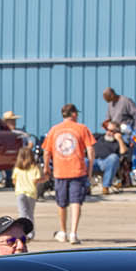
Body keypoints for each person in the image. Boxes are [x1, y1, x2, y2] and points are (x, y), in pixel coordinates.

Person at [43, 103, 93, 243]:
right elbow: (90, 151)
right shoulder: (82, 129)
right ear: (74, 114)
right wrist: (89, 170)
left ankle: (63, 231)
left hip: (60, 171)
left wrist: (46, 168)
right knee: (76, 202)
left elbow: (46, 152)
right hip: (77, 170)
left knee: (61, 203)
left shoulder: (54, 130)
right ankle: (73, 233)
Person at [10, 144, 40, 224]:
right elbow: (35, 180)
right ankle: (30, 232)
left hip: (20, 192)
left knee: (22, 213)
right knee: (30, 214)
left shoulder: (17, 168)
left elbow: (14, 181)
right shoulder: (34, 167)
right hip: (31, 193)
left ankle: (22, 231)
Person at [94, 122, 126, 194]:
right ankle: (86, 187)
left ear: (116, 132)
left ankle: (106, 187)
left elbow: (123, 152)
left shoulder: (117, 142)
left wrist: (120, 139)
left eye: (112, 131)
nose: (108, 132)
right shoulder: (98, 136)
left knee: (114, 157)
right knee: (84, 160)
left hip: (107, 163)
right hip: (95, 162)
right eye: (107, 130)